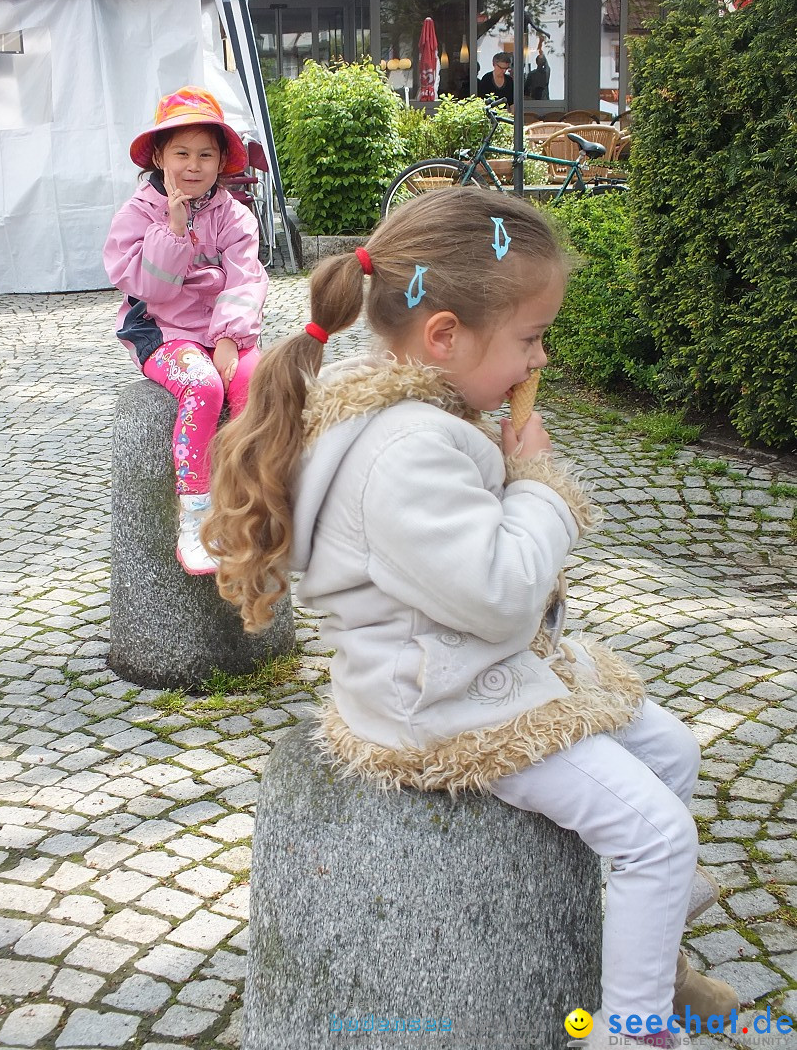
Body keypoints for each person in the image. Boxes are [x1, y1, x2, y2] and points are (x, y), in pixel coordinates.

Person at [205, 190, 739, 1049]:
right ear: (444, 336)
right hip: (439, 701)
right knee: (655, 832)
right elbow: (497, 594)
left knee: (671, 747)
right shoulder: (408, 450)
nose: (540, 360)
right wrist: (538, 486)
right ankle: (636, 1029)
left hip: (461, 662)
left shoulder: (420, 414)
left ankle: (652, 957)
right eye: (529, 340)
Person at [104, 86, 268, 576]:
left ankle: (251, 506)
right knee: (202, 385)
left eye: (205, 154)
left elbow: (246, 277)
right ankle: (195, 517)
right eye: (181, 153)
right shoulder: (136, 214)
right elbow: (149, 288)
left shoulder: (236, 216)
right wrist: (174, 230)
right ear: (159, 156)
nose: (193, 166)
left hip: (222, 330)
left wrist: (229, 338)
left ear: (222, 162)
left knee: (257, 385)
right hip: (162, 331)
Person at [525, 34, 551, 100]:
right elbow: (526, 88)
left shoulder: (545, 72)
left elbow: (541, 54)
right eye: (540, 60)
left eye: (542, 60)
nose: (542, 61)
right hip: (534, 99)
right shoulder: (533, 74)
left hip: (543, 99)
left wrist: (540, 43)